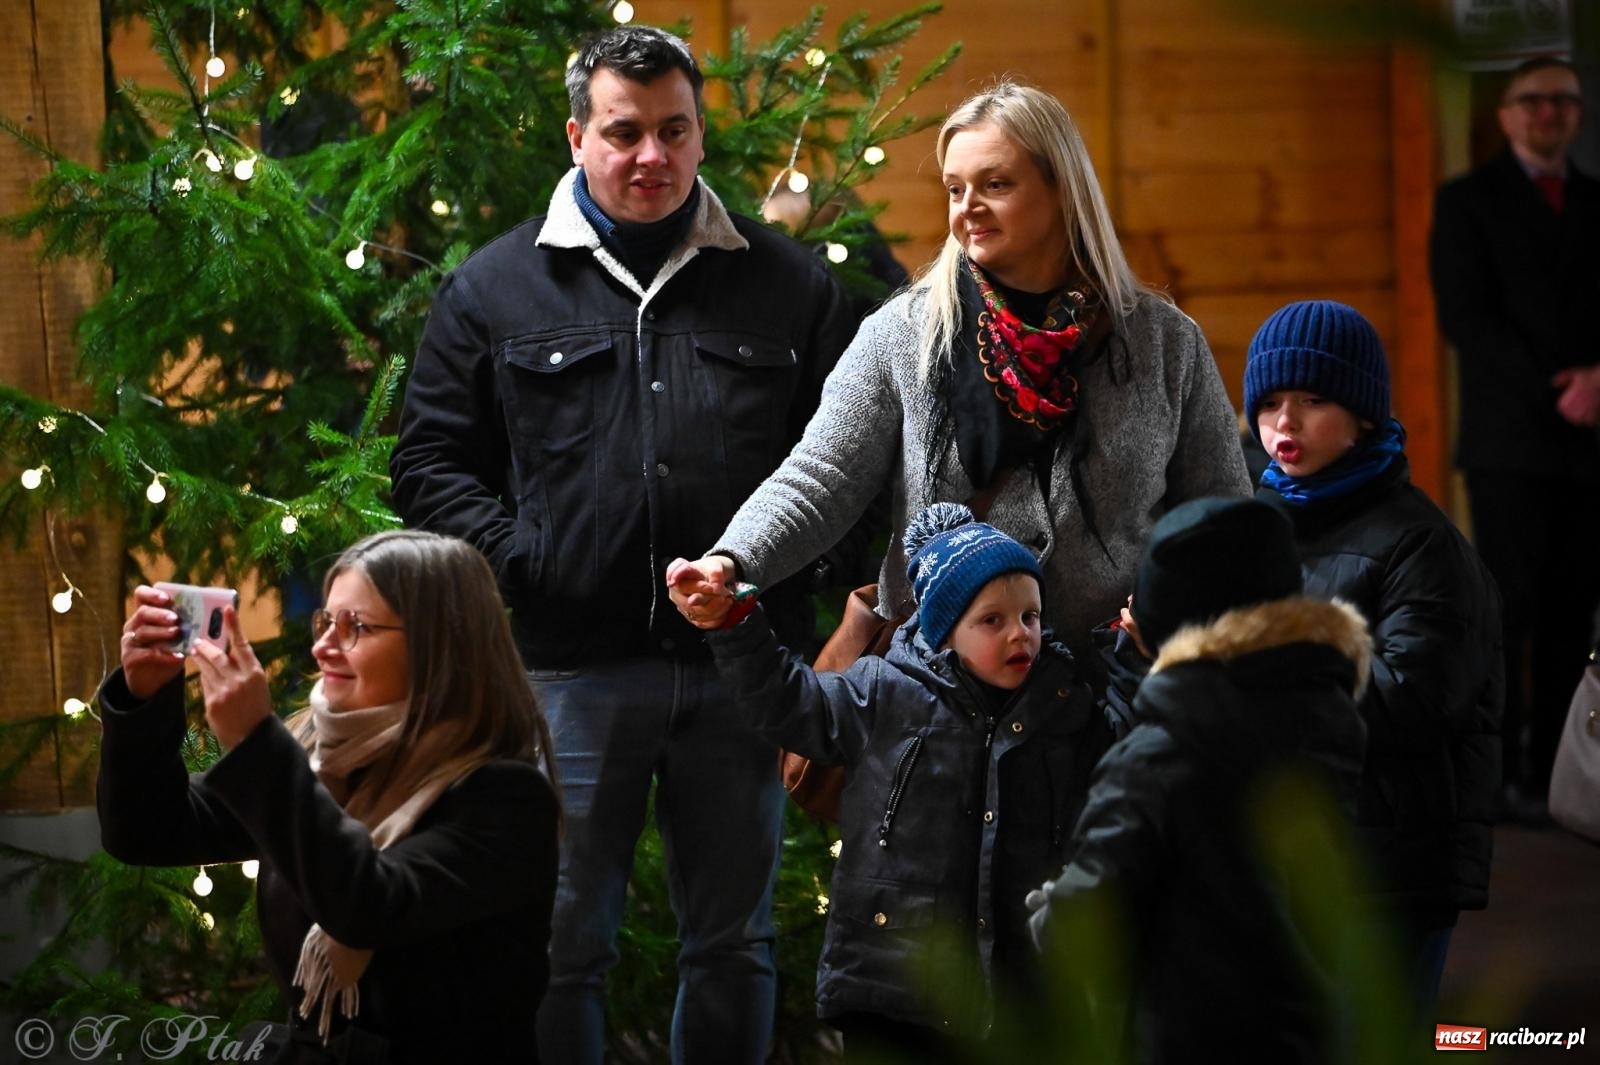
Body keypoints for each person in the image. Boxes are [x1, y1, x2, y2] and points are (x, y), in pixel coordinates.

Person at [386, 24, 858, 1064]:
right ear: (576, 136)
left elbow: (852, 464)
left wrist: (796, 583)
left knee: (734, 946)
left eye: (674, 131)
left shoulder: (790, 287)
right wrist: (527, 561)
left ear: (700, 134)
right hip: (566, 676)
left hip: (747, 670)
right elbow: (426, 467)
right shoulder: (491, 290)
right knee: (560, 946)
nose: (651, 157)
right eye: (624, 132)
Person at [669, 80, 1249, 666]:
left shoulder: (1163, 342)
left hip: (1113, 692)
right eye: (954, 188)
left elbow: (1225, 521)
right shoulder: (903, 333)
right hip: (939, 703)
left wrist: (1179, 630)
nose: (967, 206)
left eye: (995, 184)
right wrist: (732, 560)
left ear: (1062, 190)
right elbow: (822, 478)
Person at [672, 503, 1114, 1061]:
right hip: (891, 985)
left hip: (1018, 994)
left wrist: (1129, 661)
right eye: (992, 621)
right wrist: (737, 628)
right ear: (944, 631)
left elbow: (1114, 768)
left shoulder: (1062, 705)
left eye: (1030, 616)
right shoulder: (884, 690)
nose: (1019, 635)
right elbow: (791, 705)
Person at [97, 531, 560, 1063]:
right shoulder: (320, 757)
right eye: (326, 621)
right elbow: (146, 830)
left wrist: (255, 744)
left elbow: (368, 905)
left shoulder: (505, 796)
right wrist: (143, 698)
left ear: (438, 645)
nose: (321, 647)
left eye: (355, 627)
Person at [1027, 496, 1371, 1064]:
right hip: (1305, 1027)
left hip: (1187, 1037)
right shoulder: (1323, 712)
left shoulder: (1160, 754)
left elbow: (1090, 925)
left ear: (1172, 620)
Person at [1244, 299, 1502, 1016]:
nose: (1284, 423)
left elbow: (1411, 701)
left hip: (1389, 866)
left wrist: (1255, 676)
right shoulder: (1255, 528)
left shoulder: (1423, 545)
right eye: (1268, 402)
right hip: (1284, 854)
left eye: (1313, 399)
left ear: (1361, 412)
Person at [1429, 55, 1600, 816]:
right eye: (1532, 100)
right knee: (1507, 610)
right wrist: (1561, 389)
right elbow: (1468, 319)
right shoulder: (1467, 203)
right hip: (1509, 440)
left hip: (1591, 438)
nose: (1548, 113)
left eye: (1563, 100)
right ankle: (1492, 777)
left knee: (1574, 610)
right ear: (1505, 116)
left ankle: (1555, 771)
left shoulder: (1598, 202)